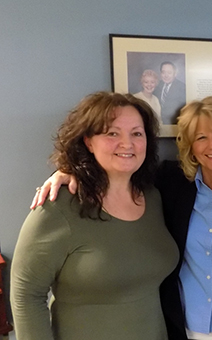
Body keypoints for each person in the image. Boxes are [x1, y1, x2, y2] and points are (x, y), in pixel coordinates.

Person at [31, 96, 212, 340]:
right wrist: (66, 172)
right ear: (190, 146)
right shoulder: (170, 183)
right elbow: (118, 169)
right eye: (201, 137)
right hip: (177, 329)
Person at [11, 91, 180, 340]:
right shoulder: (58, 207)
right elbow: (26, 295)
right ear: (88, 141)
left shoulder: (153, 197)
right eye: (112, 133)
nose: (127, 143)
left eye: (137, 133)